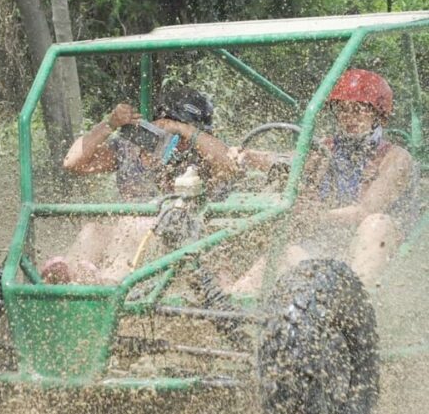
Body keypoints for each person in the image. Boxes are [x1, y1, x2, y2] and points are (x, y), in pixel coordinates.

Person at [229, 68, 416, 292]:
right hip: (327, 247)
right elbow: (286, 161)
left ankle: (357, 303)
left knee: (377, 223)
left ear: (378, 114)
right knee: (282, 253)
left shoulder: (396, 157)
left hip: (379, 251)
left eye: (359, 110)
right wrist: (247, 156)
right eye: (343, 110)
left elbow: (366, 211)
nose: (350, 118)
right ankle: (229, 307)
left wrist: (313, 216)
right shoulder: (325, 148)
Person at [41, 86, 240, 284]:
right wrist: (110, 124)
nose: (179, 142)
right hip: (128, 235)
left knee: (134, 225)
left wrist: (184, 130)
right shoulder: (129, 148)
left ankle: (109, 284)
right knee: (94, 230)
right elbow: (72, 162)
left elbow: (231, 165)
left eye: (185, 135)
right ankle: (69, 276)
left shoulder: (204, 156)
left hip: (175, 240)